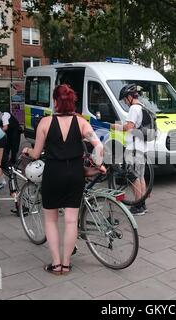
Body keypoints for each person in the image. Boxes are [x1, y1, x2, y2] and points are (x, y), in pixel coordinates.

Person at [22, 84, 106, 275]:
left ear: (55, 101)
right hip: (75, 173)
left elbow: (36, 154)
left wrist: (27, 150)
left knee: (51, 220)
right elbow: (98, 146)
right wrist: (98, 163)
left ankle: (56, 264)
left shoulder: (45, 122)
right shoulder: (82, 122)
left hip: (53, 173)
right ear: (72, 102)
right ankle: (67, 264)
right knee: (70, 220)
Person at [111, 83, 148, 216]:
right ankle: (142, 204)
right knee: (140, 177)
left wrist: (114, 126)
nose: (125, 103)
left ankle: (138, 206)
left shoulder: (134, 108)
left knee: (133, 178)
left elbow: (129, 127)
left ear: (129, 97)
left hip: (133, 149)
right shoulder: (142, 107)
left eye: (125, 99)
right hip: (142, 148)